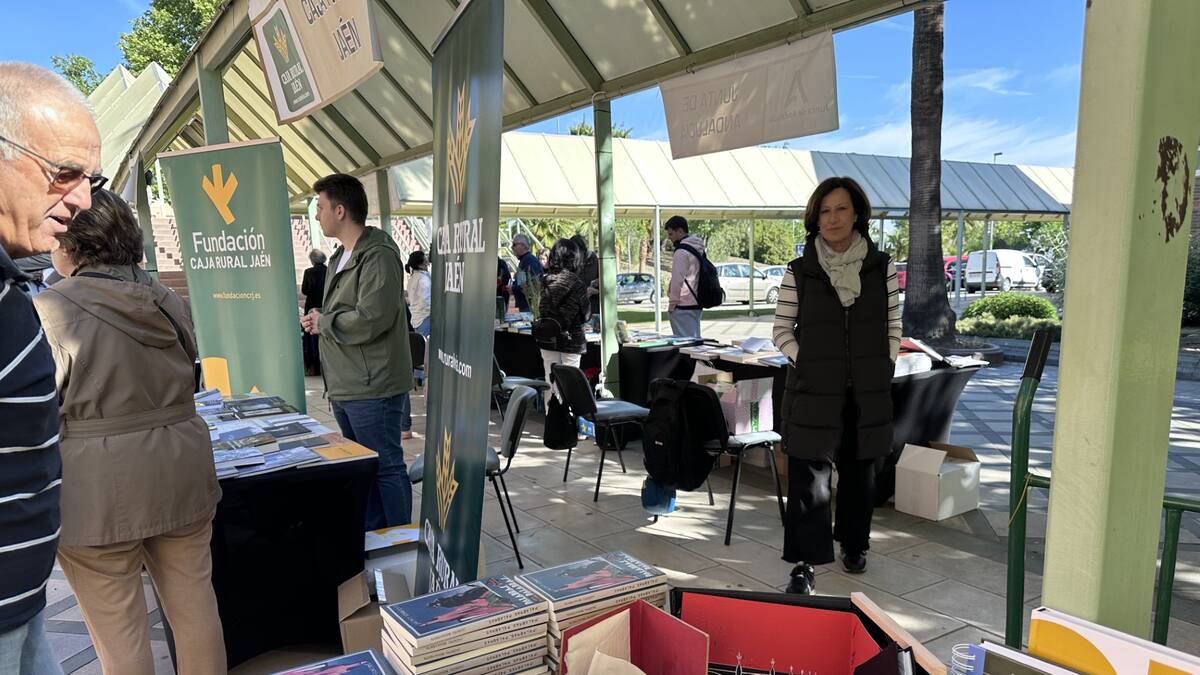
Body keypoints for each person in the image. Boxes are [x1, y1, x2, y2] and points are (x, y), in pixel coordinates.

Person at [34, 190, 226, 675]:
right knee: (197, 612)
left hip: (97, 492)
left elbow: (35, 412)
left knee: (119, 638)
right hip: (182, 473)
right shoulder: (168, 300)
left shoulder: (49, 311)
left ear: (71, 242)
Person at [0, 62, 100, 675]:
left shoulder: (14, 281)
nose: (82, 200)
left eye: (91, 178)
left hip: (23, 601)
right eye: (64, 173)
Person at [771, 176, 900, 595]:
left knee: (860, 473)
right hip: (812, 391)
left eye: (841, 209)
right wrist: (804, 361)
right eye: (824, 210)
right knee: (809, 479)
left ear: (857, 213)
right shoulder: (800, 271)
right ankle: (804, 563)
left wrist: (887, 363)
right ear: (815, 217)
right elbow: (780, 330)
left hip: (865, 391)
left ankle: (855, 545)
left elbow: (893, 326)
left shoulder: (882, 268)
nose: (832, 218)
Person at [301, 173, 414, 529]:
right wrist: (321, 318)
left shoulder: (377, 255)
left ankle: (400, 549)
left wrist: (326, 322)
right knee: (366, 468)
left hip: (373, 385)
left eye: (320, 208)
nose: (317, 216)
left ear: (340, 210)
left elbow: (371, 318)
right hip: (348, 384)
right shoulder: (340, 257)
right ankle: (377, 545)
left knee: (386, 466)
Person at [534, 239, 590, 402]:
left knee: (550, 382)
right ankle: (569, 424)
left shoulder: (544, 281)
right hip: (571, 340)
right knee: (570, 385)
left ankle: (552, 421)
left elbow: (540, 309)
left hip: (547, 337)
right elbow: (586, 315)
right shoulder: (576, 283)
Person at [665, 215, 706, 338]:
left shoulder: (681, 252)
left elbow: (678, 279)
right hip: (697, 301)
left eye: (671, 234)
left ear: (680, 231)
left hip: (682, 304)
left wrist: (672, 304)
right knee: (695, 341)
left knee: (685, 345)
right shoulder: (698, 248)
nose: (669, 238)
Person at [301, 249, 328, 376]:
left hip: (312, 305)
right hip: (326, 305)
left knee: (311, 335)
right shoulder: (329, 270)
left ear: (312, 260)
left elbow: (305, 290)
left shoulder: (308, 272)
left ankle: (314, 365)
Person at [510, 233, 544, 313]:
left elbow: (534, 285)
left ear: (523, 245)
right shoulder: (524, 260)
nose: (512, 247)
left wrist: (513, 288)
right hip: (526, 307)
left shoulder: (530, 261)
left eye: (514, 244)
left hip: (531, 307)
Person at [571, 234, 600, 323]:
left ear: (582, 250)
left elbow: (609, 290)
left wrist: (594, 290)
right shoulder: (572, 263)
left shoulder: (597, 262)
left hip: (595, 312)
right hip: (577, 312)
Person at [406, 250, 432, 338]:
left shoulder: (413, 278)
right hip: (424, 319)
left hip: (417, 319)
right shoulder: (422, 280)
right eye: (425, 261)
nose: (428, 263)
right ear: (420, 265)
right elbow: (426, 302)